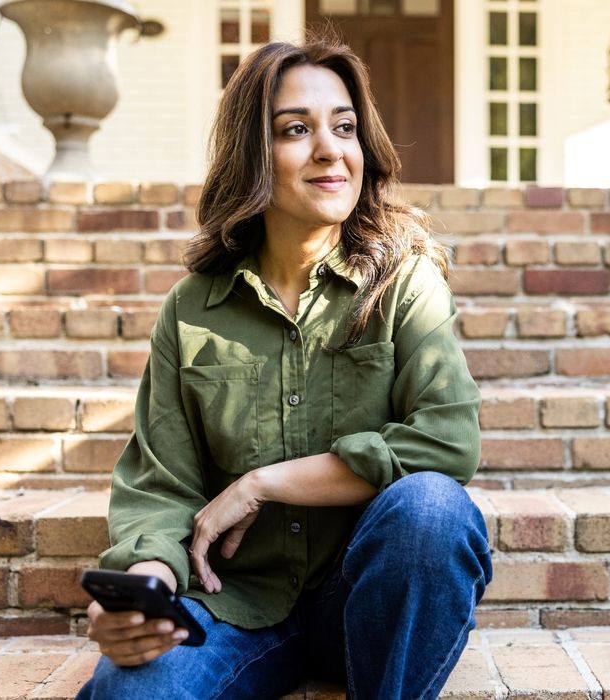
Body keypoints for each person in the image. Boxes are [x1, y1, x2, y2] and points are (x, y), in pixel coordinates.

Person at [74, 34, 492, 700]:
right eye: (297, 129)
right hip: (235, 605)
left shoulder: (403, 285)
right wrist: (145, 587)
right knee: (132, 693)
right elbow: (161, 485)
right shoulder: (193, 310)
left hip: (365, 601)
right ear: (253, 155)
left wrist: (264, 483)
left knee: (434, 510)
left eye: (345, 127)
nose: (330, 149)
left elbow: (448, 440)